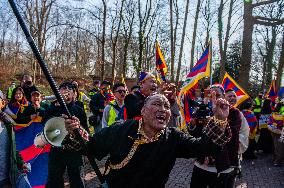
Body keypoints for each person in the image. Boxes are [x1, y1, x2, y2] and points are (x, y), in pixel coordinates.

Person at [62, 93, 232, 187]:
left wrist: (220, 120)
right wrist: (76, 131)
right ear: (143, 111)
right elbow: (90, 147)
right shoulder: (120, 129)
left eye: (166, 106)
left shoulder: (174, 137)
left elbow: (204, 148)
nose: (163, 110)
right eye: (157, 104)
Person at [190, 84, 242, 188]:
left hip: (222, 165)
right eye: (210, 95)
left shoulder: (233, 112)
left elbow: (231, 137)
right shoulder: (203, 110)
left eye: (217, 95)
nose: (213, 98)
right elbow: (195, 135)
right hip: (201, 163)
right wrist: (193, 125)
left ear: (223, 96)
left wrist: (220, 119)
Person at [45, 82, 88, 188]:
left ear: (74, 94)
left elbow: (86, 131)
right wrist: (56, 108)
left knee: (76, 179)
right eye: (63, 89)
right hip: (56, 149)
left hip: (74, 151)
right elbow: (45, 124)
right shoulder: (52, 108)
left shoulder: (79, 110)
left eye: (69, 89)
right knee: (54, 179)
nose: (66, 92)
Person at [0, 90, 30, 188]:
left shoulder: (9, 125)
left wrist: (21, 163)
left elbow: (14, 148)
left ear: (3, 103)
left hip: (5, 179)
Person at [225, 89, 250, 155]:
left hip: (234, 148)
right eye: (230, 96)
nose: (232, 98)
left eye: (234, 96)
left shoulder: (238, 113)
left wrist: (238, 140)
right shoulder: (219, 111)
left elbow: (245, 130)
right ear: (224, 98)